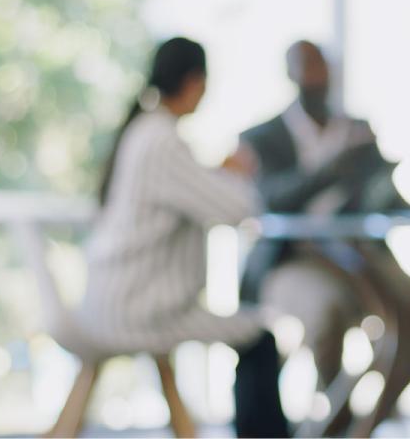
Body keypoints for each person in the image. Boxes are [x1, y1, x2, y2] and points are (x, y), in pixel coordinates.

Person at [80, 37, 289, 437]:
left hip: (115, 299)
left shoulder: (143, 132)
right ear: (194, 82)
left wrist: (212, 171)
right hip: (141, 309)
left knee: (251, 336)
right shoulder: (164, 141)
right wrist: (235, 172)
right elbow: (238, 210)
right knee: (258, 339)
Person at [234, 40, 401, 393]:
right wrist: (331, 168)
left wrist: (380, 172)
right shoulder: (263, 138)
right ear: (291, 75)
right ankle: (334, 422)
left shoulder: (356, 130)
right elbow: (271, 199)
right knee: (327, 313)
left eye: (322, 67)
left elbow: (385, 199)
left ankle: (367, 421)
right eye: (307, 68)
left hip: (359, 256)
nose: (317, 77)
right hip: (292, 261)